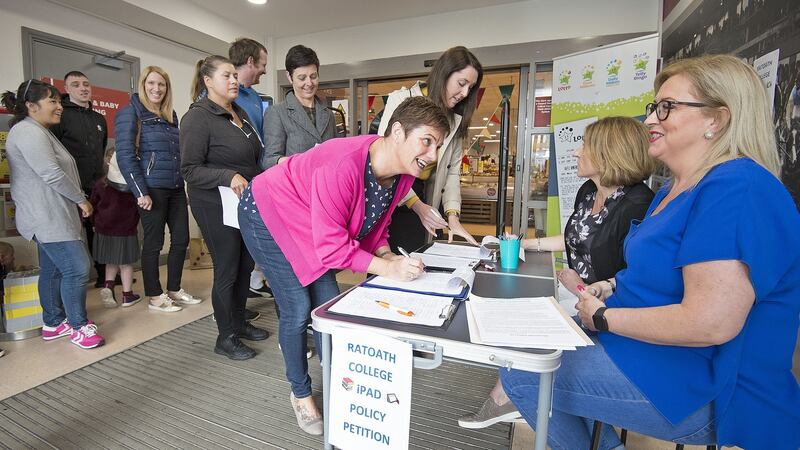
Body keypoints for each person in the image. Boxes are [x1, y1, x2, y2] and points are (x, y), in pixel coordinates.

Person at [500, 54, 800, 449]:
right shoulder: (675, 188)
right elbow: (655, 276)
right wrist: (609, 287)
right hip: (647, 355)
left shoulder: (736, 187)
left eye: (666, 108)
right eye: (653, 108)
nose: (649, 121)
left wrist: (606, 317)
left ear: (717, 119)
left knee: (523, 373)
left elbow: (710, 323)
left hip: (695, 383)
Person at [239, 96, 450, 435]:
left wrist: (386, 255)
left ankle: (339, 376)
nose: (432, 155)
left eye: (437, 146)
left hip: (309, 220)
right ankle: (301, 393)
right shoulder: (343, 164)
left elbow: (376, 225)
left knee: (327, 304)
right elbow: (333, 248)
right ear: (397, 132)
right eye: (426, 141)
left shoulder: (403, 177)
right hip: (267, 211)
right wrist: (389, 269)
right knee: (296, 306)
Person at [459, 116, 656, 429]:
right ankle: (512, 396)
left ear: (609, 152)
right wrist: (525, 243)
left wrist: (580, 286)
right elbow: (574, 239)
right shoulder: (589, 191)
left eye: (585, 145)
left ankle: (510, 397)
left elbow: (637, 277)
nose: (576, 152)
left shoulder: (638, 205)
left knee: (527, 339)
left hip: (604, 307)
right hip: (574, 290)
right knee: (521, 324)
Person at [2, 79, 104, 349]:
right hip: (46, 217)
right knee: (77, 268)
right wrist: (81, 200)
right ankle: (79, 327)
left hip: (50, 215)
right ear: (31, 106)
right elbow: (51, 173)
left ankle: (53, 323)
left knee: (55, 269)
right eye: (53, 101)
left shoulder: (37, 130)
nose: (60, 106)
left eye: (59, 101)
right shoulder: (28, 132)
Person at [181, 55, 269, 360]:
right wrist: (227, 175)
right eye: (226, 76)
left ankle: (239, 321)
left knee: (246, 264)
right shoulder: (197, 117)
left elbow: (250, 159)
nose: (234, 81)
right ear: (208, 81)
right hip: (213, 203)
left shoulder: (238, 112)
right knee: (228, 267)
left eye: (235, 75)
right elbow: (189, 169)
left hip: (241, 201)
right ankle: (226, 336)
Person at [261, 44, 337, 337]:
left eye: (313, 76)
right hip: (290, 204)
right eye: (302, 77)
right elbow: (269, 161)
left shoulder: (327, 114)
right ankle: (293, 333)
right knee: (292, 277)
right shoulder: (278, 113)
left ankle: (320, 330)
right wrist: (303, 161)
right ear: (290, 78)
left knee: (321, 272)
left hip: (321, 204)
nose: (309, 83)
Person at [378, 46, 483, 250]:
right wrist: (416, 205)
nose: (464, 93)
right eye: (461, 84)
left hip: (429, 195)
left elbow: (451, 172)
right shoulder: (402, 100)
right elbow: (385, 159)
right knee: (394, 261)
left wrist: (453, 216)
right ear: (444, 74)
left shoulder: (455, 118)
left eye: (470, 88)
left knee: (423, 259)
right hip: (397, 191)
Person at [115, 66, 201, 312]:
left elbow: (177, 154)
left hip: (174, 187)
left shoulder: (168, 114)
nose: (156, 89)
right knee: (154, 243)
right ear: (142, 85)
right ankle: (154, 295)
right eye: (151, 83)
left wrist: (182, 184)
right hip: (151, 189)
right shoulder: (130, 113)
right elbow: (125, 155)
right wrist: (140, 191)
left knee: (181, 239)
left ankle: (174, 288)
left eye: (161, 84)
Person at [228, 37, 274, 308]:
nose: (265, 71)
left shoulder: (255, 97)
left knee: (251, 244)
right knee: (232, 250)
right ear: (249, 62)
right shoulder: (225, 96)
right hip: (231, 181)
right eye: (263, 64)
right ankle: (229, 310)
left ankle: (249, 290)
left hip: (256, 178)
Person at [51, 71, 108, 287]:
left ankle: (105, 277)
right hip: (71, 187)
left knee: (100, 233)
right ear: (66, 89)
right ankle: (75, 281)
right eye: (76, 85)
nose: (83, 88)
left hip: (97, 187)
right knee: (73, 235)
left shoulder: (98, 118)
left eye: (86, 84)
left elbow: (101, 151)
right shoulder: (61, 116)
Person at [90, 148, 141, 308]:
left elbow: (92, 205)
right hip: (125, 228)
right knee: (125, 264)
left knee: (111, 261)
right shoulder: (132, 185)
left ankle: (108, 286)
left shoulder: (100, 184)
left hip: (104, 228)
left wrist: (93, 223)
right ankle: (127, 295)